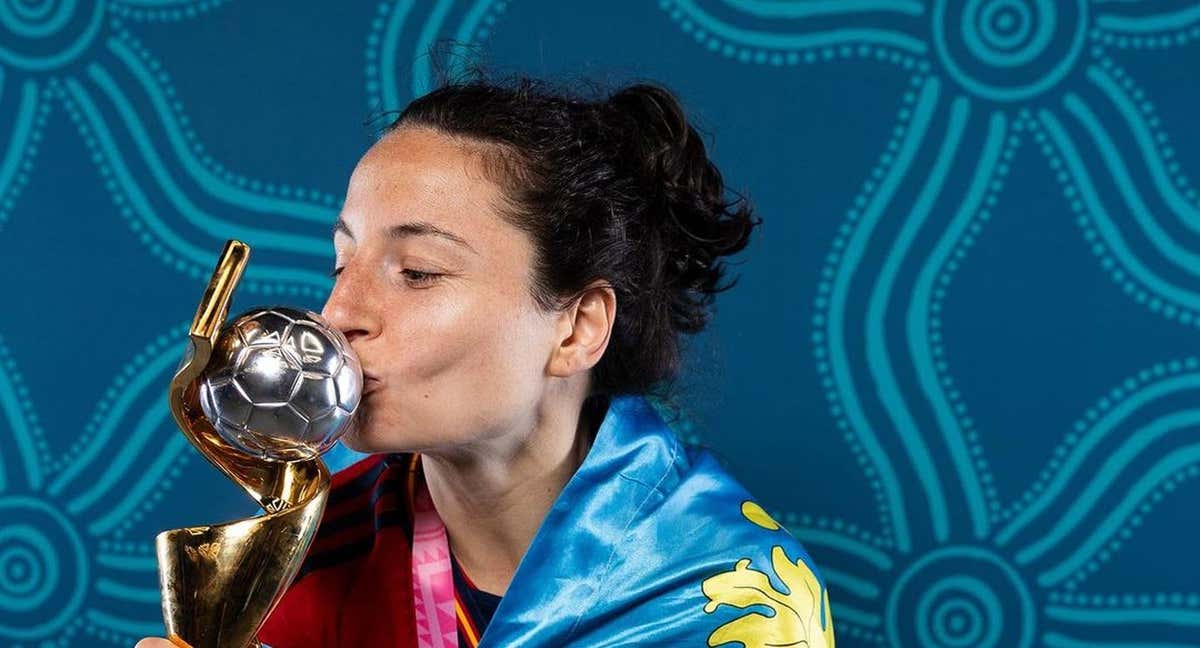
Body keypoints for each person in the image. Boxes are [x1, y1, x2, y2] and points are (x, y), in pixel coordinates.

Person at [137, 71, 835, 647]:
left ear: (576, 329)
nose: (338, 314)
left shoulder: (735, 600)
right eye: (341, 262)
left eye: (417, 272)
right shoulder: (312, 556)